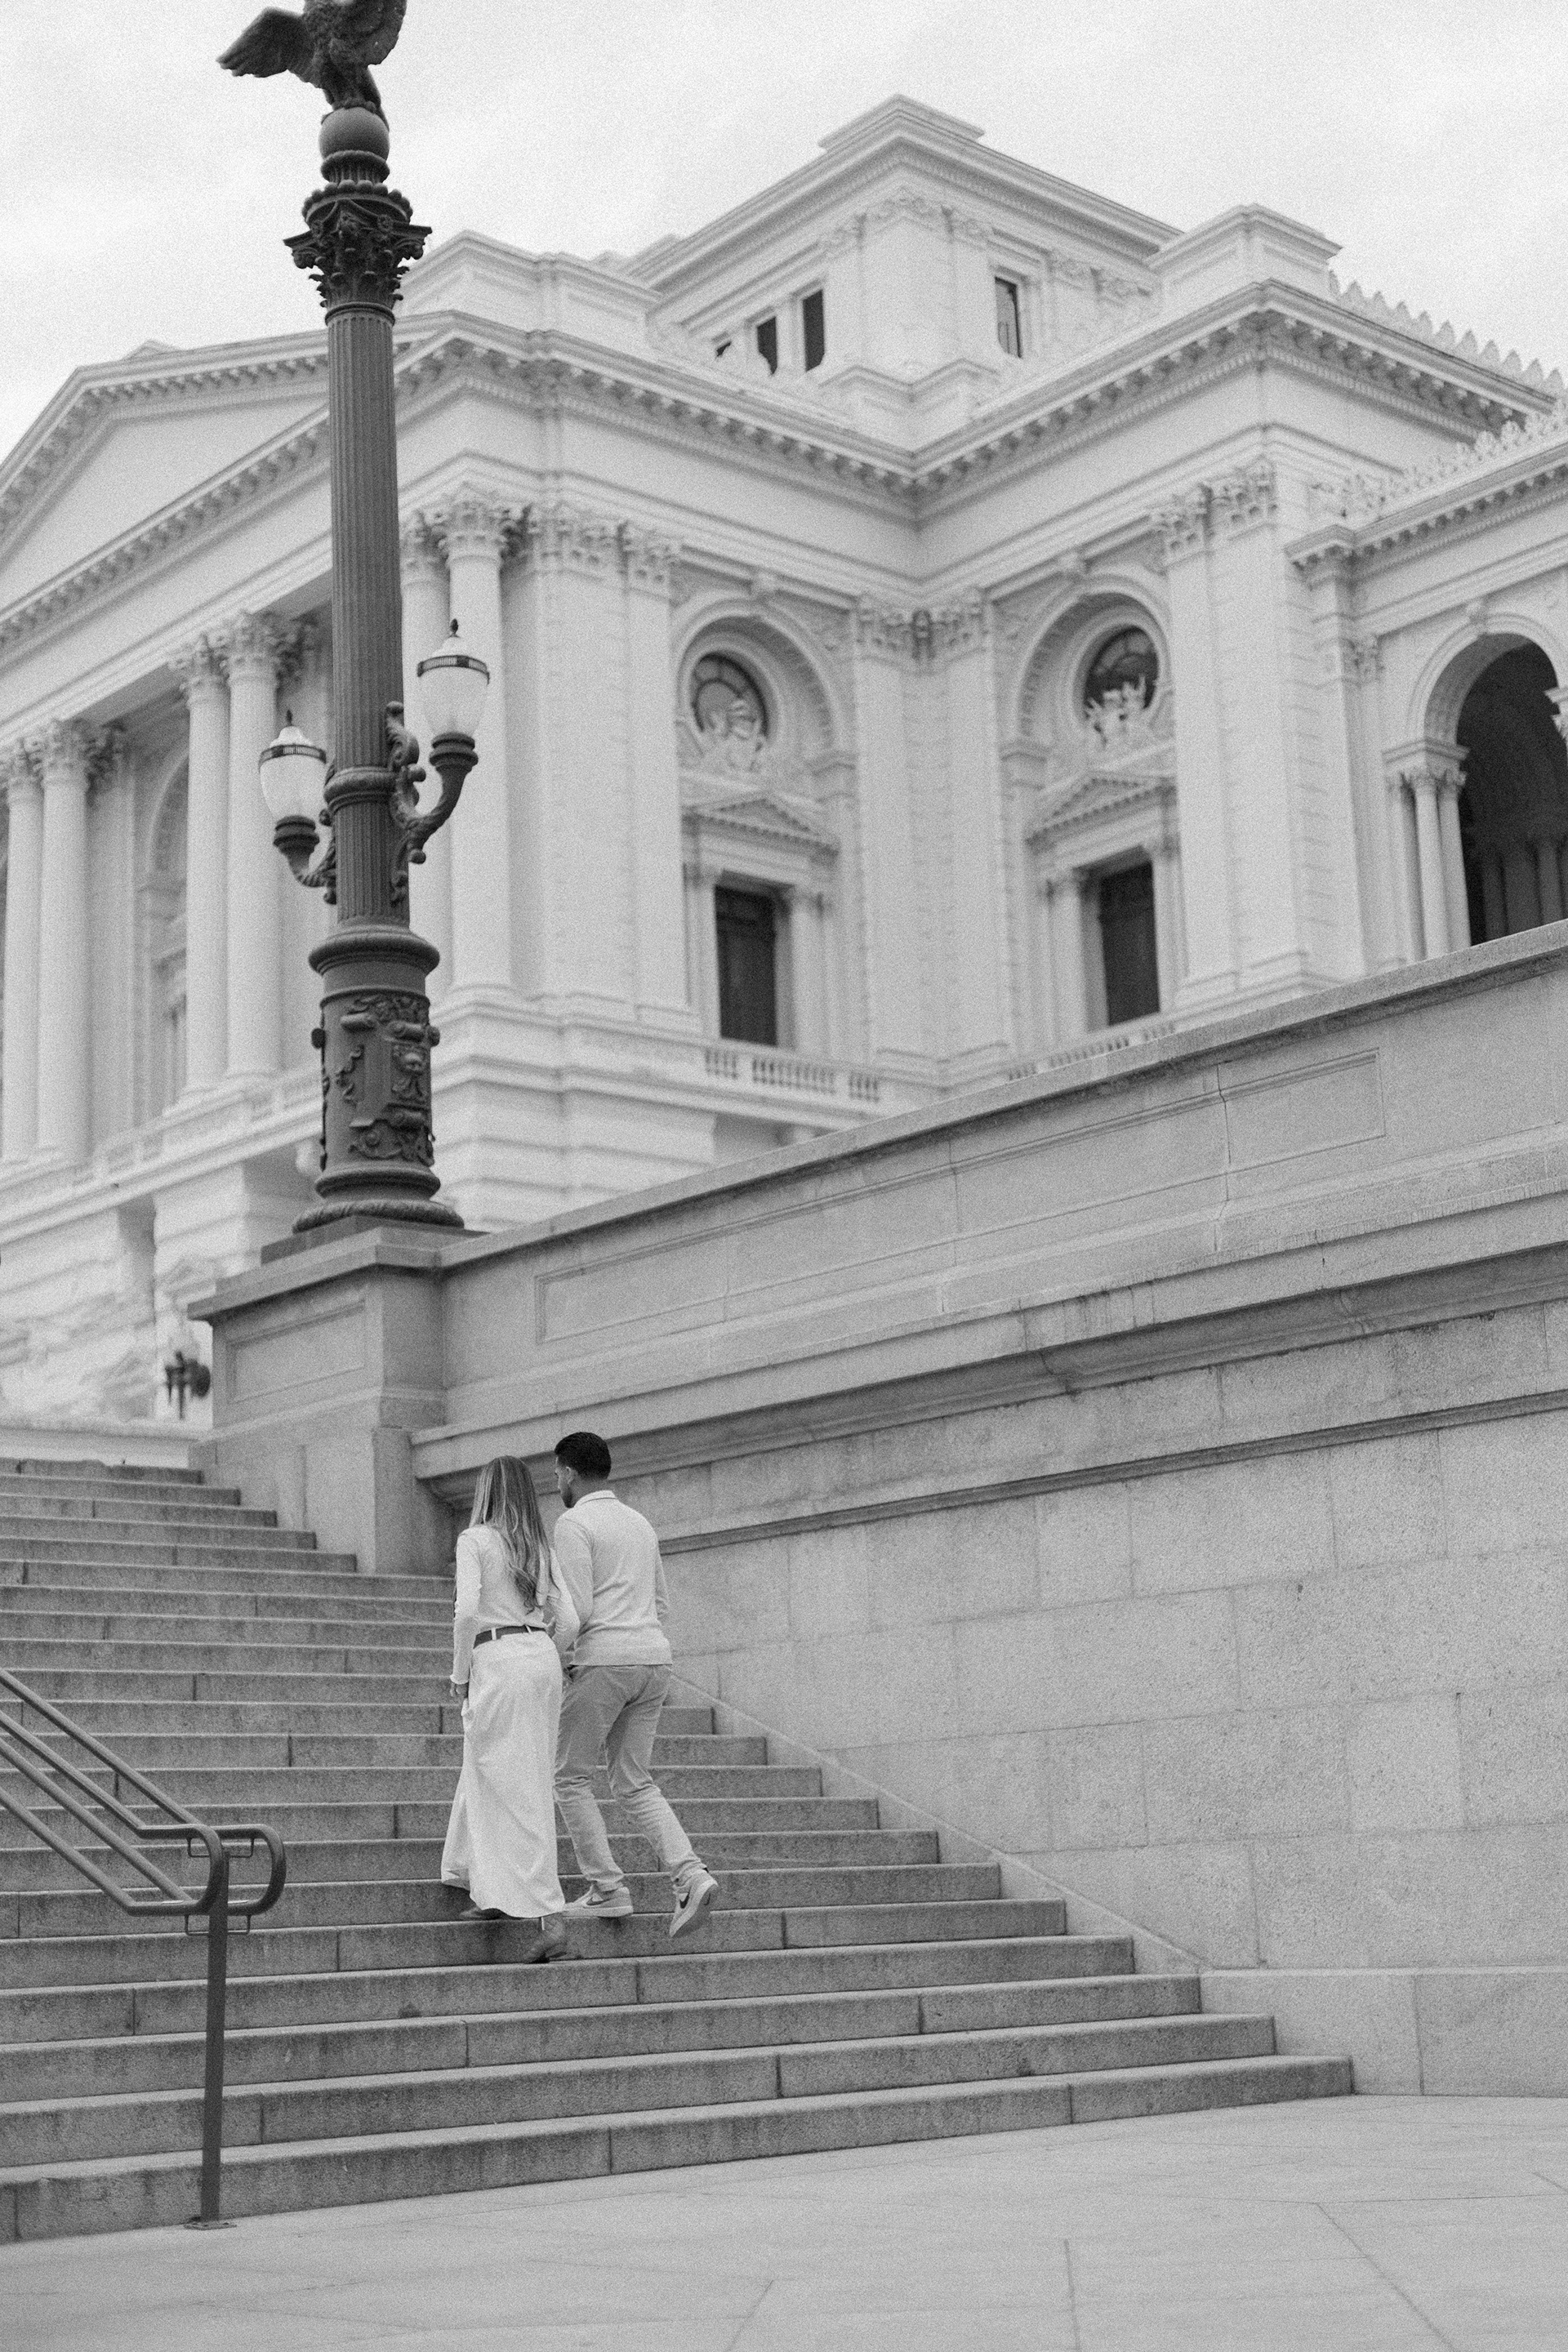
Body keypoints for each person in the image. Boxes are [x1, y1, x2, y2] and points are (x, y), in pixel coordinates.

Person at [551, 1431, 720, 1939]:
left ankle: (607, 1888)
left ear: (569, 1472)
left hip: (604, 1660)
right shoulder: (639, 1522)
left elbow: (577, 1608)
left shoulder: (573, 1523)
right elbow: (661, 1602)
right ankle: (690, 1875)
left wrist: (557, 1656)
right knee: (634, 1780)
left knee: (569, 1777)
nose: (557, 1482)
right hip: (653, 1659)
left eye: (557, 1473)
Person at [441, 1455, 579, 1959]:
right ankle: (488, 1887)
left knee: (516, 1788)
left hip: (497, 1660)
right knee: (499, 1774)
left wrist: (459, 1674)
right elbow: (570, 1619)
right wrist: (546, 1654)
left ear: (486, 1491)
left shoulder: (474, 1540)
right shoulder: (539, 1546)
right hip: (539, 1658)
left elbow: (466, 1613)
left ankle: (551, 1918)